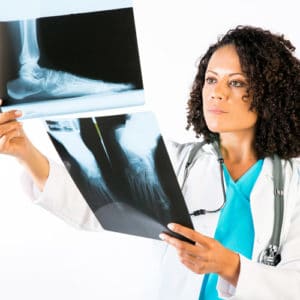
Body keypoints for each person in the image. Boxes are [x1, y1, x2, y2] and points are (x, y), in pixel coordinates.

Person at [0, 25, 299, 299]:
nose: (217, 93)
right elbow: (97, 204)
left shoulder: (294, 185)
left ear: (269, 94)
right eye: (211, 79)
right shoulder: (176, 162)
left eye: (236, 83)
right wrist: (25, 152)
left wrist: (231, 266)